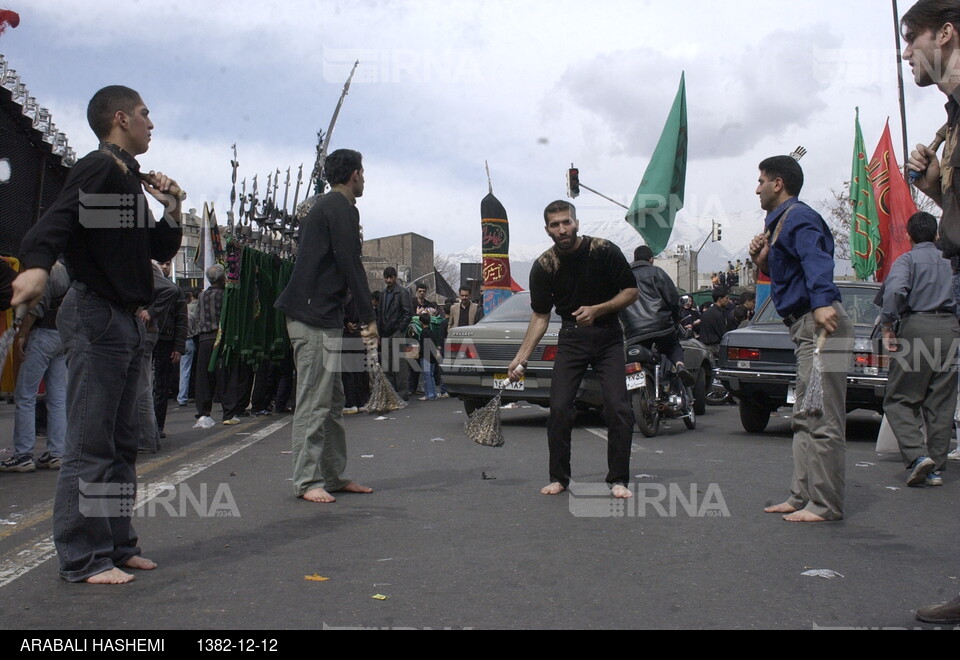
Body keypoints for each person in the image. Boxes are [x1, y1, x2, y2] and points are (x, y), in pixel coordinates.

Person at [11, 85, 182, 583]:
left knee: (122, 442)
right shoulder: (101, 166)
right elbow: (56, 219)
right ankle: (83, 557)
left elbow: (155, 245)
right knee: (91, 443)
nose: (153, 123)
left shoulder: (127, 179)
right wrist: (39, 264)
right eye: (146, 115)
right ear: (122, 118)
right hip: (97, 316)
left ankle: (116, 544)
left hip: (125, 319)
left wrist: (170, 206)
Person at [507, 200, 638, 498]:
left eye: (566, 222)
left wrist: (598, 309)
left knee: (618, 408)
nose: (562, 229)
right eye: (555, 225)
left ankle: (618, 479)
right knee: (559, 408)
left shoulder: (604, 250)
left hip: (608, 337)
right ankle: (559, 478)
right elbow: (540, 315)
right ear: (547, 229)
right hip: (571, 338)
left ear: (576, 223)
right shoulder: (544, 266)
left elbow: (631, 291)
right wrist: (521, 357)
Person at [749, 155, 853, 523]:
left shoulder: (800, 217)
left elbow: (816, 259)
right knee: (805, 414)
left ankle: (824, 505)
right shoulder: (779, 224)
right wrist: (762, 258)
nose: (756, 188)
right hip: (805, 327)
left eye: (761, 180)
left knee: (822, 416)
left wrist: (823, 302)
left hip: (822, 324)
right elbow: (788, 271)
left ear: (778, 183)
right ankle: (801, 496)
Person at [274, 148, 378, 504]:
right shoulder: (339, 207)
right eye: (363, 173)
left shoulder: (330, 208)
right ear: (354, 175)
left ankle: (333, 475)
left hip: (324, 316)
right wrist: (369, 317)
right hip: (312, 317)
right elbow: (351, 264)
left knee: (333, 402)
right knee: (314, 402)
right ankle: (306, 480)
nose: (364, 179)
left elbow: (334, 267)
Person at [877, 212, 959, 487]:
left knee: (899, 398)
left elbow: (895, 291)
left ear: (909, 235)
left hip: (917, 328)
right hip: (950, 330)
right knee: (941, 403)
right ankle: (935, 467)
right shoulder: (950, 261)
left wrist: (889, 322)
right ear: (936, 234)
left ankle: (916, 455)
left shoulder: (908, 260)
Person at [0, 261, 70, 473]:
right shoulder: (69, 268)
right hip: (62, 334)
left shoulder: (46, 269)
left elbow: (36, 307)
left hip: (42, 335)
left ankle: (23, 455)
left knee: (25, 395)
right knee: (57, 395)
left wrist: (22, 335)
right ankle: (57, 452)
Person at [619, 245, 691, 384]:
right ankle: (680, 365)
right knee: (672, 347)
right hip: (661, 325)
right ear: (651, 259)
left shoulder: (623, 276)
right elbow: (672, 298)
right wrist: (676, 319)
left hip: (633, 330)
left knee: (637, 359)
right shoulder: (656, 272)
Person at [194, 265, 225, 427]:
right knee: (223, 375)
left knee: (203, 377)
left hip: (203, 339)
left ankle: (203, 411)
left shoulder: (201, 296)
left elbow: (197, 317)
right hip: (219, 338)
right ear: (221, 279)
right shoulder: (224, 295)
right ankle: (229, 410)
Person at [378, 266, 413, 400]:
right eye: (386, 278)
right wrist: (380, 333)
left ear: (395, 277)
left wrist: (400, 329)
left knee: (400, 365)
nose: (388, 280)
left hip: (397, 332)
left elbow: (408, 312)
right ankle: (390, 394)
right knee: (386, 365)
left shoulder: (403, 292)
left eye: (391, 277)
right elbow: (380, 315)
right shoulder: (383, 294)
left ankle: (402, 393)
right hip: (386, 333)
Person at [698, 287, 734, 357]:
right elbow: (723, 334)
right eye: (726, 298)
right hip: (714, 348)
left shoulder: (707, 312)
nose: (728, 301)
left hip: (704, 347)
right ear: (720, 299)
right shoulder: (718, 314)